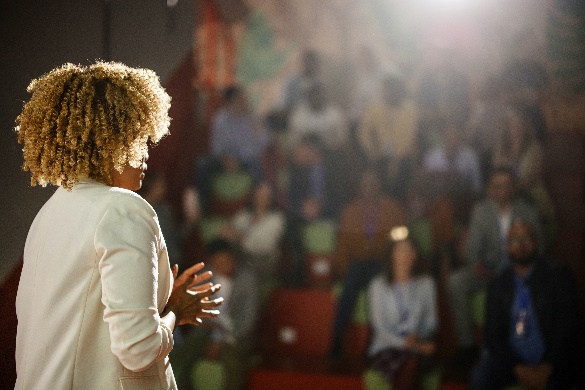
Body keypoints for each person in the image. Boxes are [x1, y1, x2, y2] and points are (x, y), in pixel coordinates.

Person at [14, 62, 223, 390]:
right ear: (109, 143)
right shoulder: (122, 208)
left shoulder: (48, 214)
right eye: (138, 141)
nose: (145, 157)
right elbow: (138, 350)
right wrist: (176, 313)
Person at [469, 220, 581, 389]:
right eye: (514, 240)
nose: (521, 245)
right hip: (512, 361)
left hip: (550, 359)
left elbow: (568, 326)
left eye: (526, 239)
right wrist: (518, 368)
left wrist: (547, 367)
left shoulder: (558, 275)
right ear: (507, 247)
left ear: (536, 243)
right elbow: (493, 336)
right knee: (479, 375)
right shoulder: (498, 285)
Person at [448, 166, 543, 358]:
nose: (502, 190)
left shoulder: (527, 210)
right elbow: (472, 250)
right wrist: (477, 265)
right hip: (489, 270)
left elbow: (539, 247)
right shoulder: (481, 210)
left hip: (519, 270)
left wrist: (522, 265)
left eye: (507, 185)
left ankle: (520, 345)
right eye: (497, 186)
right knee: (455, 281)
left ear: (514, 187)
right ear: (490, 188)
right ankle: (467, 346)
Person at [331, 168, 406, 358]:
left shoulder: (392, 208)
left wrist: (392, 258)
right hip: (357, 262)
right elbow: (342, 242)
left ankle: (375, 342)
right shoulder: (350, 210)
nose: (369, 187)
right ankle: (337, 338)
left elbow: (401, 236)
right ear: (359, 187)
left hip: (381, 262)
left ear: (379, 185)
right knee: (348, 287)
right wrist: (342, 268)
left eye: (373, 183)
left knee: (377, 290)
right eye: (365, 183)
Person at [171, 239, 260, 390]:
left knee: (233, 365)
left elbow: (247, 321)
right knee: (179, 360)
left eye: (228, 261)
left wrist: (221, 340)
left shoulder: (247, 280)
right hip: (207, 331)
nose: (226, 265)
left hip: (236, 335)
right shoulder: (202, 279)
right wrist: (212, 334)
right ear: (212, 262)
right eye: (220, 262)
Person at [368, 226, 438, 390]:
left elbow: (431, 322)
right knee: (410, 365)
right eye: (400, 250)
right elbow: (380, 330)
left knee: (413, 363)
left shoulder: (426, 284)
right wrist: (411, 345)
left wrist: (418, 336)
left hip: (417, 343)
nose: (405, 255)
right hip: (387, 347)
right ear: (391, 254)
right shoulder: (378, 286)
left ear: (415, 254)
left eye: (409, 250)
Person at [219, 181, 286, 283]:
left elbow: (264, 247)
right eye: (259, 194)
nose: (261, 198)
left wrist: (240, 237)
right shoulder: (245, 214)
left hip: (263, 261)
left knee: (239, 270)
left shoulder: (277, 219)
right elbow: (229, 229)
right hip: (241, 257)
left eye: (265, 195)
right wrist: (228, 232)